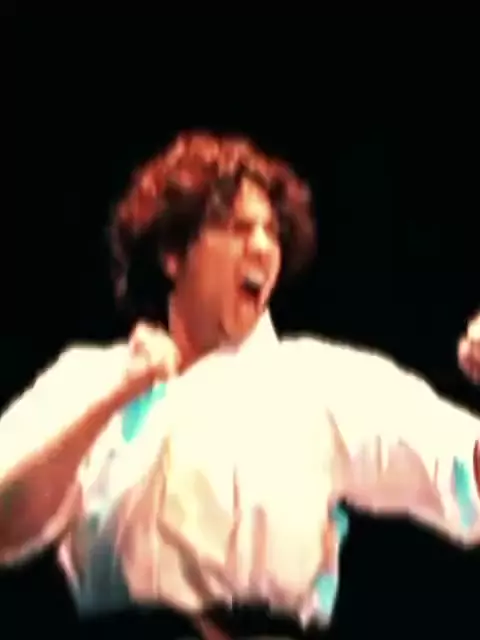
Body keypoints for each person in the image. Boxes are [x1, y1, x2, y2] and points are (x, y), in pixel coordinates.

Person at [0, 132, 478, 636]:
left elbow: (463, 473)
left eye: (272, 231)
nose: (262, 246)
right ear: (173, 254)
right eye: (236, 228)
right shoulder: (91, 378)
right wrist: (118, 395)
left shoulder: (319, 383)